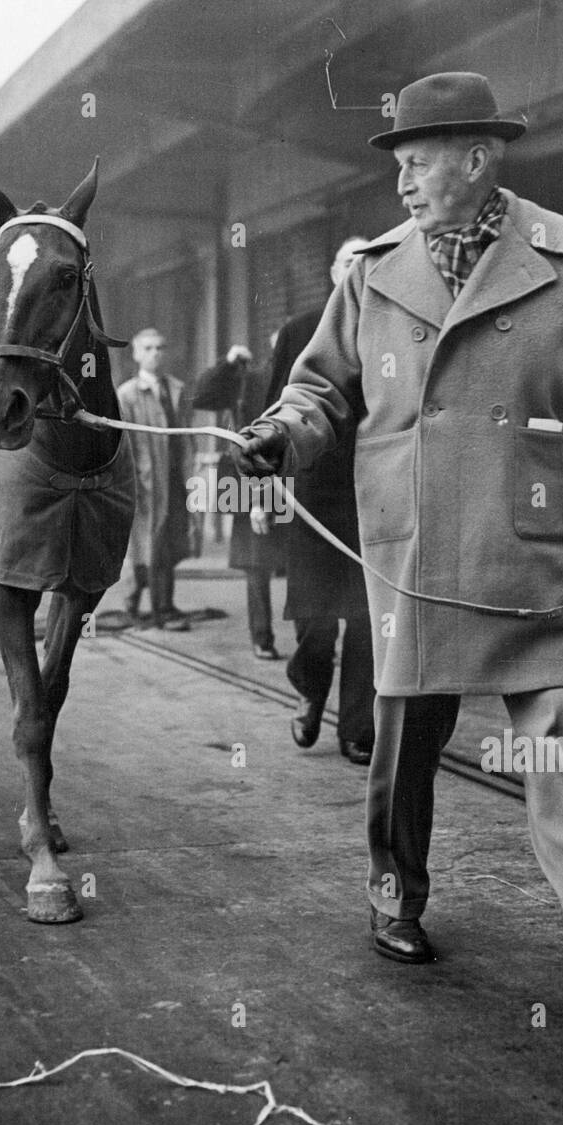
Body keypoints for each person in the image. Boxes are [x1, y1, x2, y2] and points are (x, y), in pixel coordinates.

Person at [235, 71, 563, 1025]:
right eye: (396, 165)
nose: (400, 184)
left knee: (557, 751)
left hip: (526, 548)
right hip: (414, 553)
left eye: (415, 163)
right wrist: (283, 431)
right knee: (402, 747)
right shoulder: (373, 272)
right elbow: (320, 389)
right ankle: (396, 896)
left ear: (477, 161)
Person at [264, 238, 376, 766]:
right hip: (311, 493)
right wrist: (265, 491)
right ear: (334, 271)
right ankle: (310, 691)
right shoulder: (297, 330)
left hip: (374, 495)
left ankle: (357, 727)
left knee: (367, 619)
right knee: (314, 619)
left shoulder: (391, 325)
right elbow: (272, 412)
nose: (356, 268)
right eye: (347, 259)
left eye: (365, 260)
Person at [193, 341, 285, 659]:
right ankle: (262, 636)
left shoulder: (301, 378)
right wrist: (228, 364)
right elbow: (203, 396)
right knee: (257, 565)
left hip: (292, 478)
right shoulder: (253, 379)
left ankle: (308, 644)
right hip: (252, 478)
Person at [117, 328, 192, 631]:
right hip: (145, 482)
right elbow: (124, 445)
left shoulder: (177, 389)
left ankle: (161, 604)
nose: (155, 353)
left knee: (169, 542)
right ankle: (145, 607)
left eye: (160, 347)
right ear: (136, 354)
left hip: (174, 477)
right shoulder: (127, 395)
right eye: (148, 348)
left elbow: (186, 436)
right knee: (145, 544)